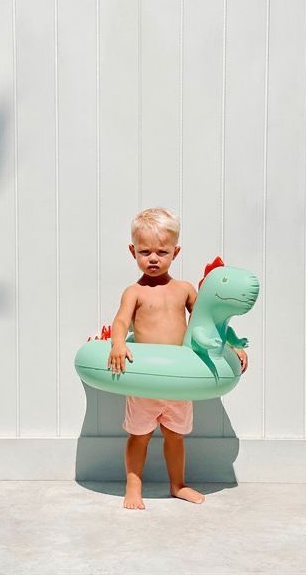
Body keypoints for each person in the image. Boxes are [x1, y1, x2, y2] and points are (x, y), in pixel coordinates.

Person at [107, 207, 248, 509]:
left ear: (176, 252)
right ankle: (134, 486)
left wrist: (232, 345)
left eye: (162, 251)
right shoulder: (134, 292)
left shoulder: (183, 290)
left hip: (179, 382)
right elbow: (120, 321)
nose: (154, 258)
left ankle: (178, 485)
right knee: (139, 436)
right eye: (145, 251)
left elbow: (208, 322)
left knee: (175, 436)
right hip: (145, 382)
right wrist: (118, 343)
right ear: (132, 251)